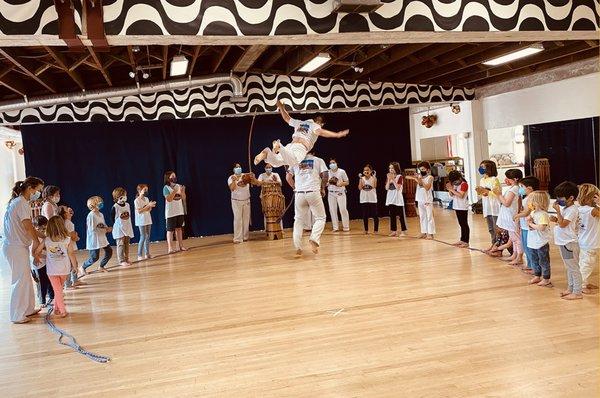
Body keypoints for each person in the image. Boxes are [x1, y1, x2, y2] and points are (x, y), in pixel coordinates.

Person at [254, 99, 349, 168]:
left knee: (276, 162)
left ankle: (266, 153)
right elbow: (321, 132)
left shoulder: (300, 123)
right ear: (321, 123)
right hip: (300, 148)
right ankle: (279, 146)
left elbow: (287, 118)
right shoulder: (316, 126)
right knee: (294, 162)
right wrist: (337, 135)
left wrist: (281, 107)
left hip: (290, 146)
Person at [1, 177, 45, 323]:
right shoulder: (21, 203)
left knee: (25, 278)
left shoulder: (18, 202)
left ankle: (28, 309)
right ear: (30, 188)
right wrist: (37, 241)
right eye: (38, 190)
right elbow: (27, 225)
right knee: (20, 280)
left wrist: (43, 236)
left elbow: (29, 227)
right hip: (15, 247)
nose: (38, 194)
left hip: (17, 246)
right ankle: (17, 315)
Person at [35, 216, 77, 318]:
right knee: (59, 290)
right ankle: (61, 310)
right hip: (64, 270)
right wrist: (75, 267)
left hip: (52, 271)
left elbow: (37, 251)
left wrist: (37, 257)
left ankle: (57, 308)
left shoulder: (47, 240)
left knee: (57, 291)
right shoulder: (67, 240)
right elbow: (71, 254)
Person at [286, 152, 328, 255]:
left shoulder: (294, 160)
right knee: (320, 218)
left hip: (299, 194)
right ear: (313, 151)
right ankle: (314, 238)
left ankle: (298, 246)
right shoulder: (318, 160)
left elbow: (288, 177)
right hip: (313, 192)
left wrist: (294, 187)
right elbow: (325, 175)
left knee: (298, 219)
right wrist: (322, 188)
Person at [550, 181, 582, 300]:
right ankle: (571, 288)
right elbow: (562, 222)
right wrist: (556, 218)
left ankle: (577, 291)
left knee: (573, 267)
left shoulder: (572, 209)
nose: (558, 199)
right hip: (564, 242)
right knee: (568, 267)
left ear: (571, 197)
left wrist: (557, 212)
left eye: (560, 197)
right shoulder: (567, 208)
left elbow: (563, 224)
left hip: (569, 243)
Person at [494, 169, 523, 266]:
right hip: (510, 215)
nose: (506, 179)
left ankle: (519, 257)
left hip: (511, 216)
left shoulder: (515, 188)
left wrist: (498, 194)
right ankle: (515, 254)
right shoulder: (514, 188)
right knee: (513, 238)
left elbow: (506, 203)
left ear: (515, 179)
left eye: (508, 178)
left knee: (516, 238)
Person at [576, 183, 600, 294]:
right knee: (587, 264)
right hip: (590, 242)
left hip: (583, 241)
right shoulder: (592, 211)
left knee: (584, 263)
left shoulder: (580, 209)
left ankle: (584, 282)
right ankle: (581, 285)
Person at [513, 176, 539, 274]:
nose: (520, 189)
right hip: (524, 225)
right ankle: (529, 264)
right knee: (525, 245)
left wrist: (516, 216)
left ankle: (533, 266)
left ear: (530, 188)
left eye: (522, 186)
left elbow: (527, 212)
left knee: (529, 247)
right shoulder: (527, 197)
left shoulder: (532, 197)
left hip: (528, 225)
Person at [526, 191, 552, 287]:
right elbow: (531, 225)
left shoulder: (543, 214)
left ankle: (546, 278)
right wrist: (529, 221)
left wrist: (531, 224)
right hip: (533, 241)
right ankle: (537, 275)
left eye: (531, 200)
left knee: (543, 261)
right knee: (534, 260)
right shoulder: (533, 212)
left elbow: (541, 227)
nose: (529, 203)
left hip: (541, 242)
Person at [82, 196, 112, 274]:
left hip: (102, 237)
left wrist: (107, 228)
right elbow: (92, 229)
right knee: (94, 258)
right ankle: (83, 267)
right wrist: (104, 229)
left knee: (109, 251)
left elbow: (103, 225)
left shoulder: (101, 214)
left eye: (100, 201)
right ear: (92, 205)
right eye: (98, 202)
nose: (100, 203)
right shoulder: (91, 215)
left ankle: (101, 266)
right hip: (94, 239)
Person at [228, 163, 256, 244]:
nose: (239, 168)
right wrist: (234, 181)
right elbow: (232, 188)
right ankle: (237, 238)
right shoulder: (231, 177)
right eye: (237, 167)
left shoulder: (245, 175)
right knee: (238, 219)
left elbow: (254, 183)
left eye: (239, 167)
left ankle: (245, 237)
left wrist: (253, 177)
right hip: (236, 201)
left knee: (246, 219)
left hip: (246, 200)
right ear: (234, 169)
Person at [407, 161, 435, 239]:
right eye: (420, 169)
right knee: (422, 216)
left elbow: (427, 187)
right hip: (420, 199)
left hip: (427, 200)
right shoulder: (419, 177)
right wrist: (416, 178)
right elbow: (407, 177)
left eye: (423, 169)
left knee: (429, 216)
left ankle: (430, 233)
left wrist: (420, 179)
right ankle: (424, 232)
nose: (421, 171)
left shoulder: (430, 177)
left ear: (428, 170)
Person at [475, 160, 501, 244]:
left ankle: (498, 246)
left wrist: (487, 191)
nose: (480, 168)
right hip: (487, 207)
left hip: (494, 207)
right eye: (480, 166)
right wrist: (481, 191)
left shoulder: (494, 179)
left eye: (483, 167)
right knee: (490, 228)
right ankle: (493, 244)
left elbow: (497, 193)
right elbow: (483, 192)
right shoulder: (482, 180)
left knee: (496, 228)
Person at [31, 215, 54, 307]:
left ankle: (53, 296)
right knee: (41, 282)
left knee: (49, 280)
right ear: (35, 228)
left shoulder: (45, 236)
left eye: (45, 227)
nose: (43, 230)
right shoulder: (34, 238)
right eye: (40, 228)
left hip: (46, 262)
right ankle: (42, 301)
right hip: (38, 264)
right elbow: (34, 253)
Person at [163, 171, 187, 253]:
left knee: (179, 229)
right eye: (172, 176)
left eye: (175, 176)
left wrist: (183, 191)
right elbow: (169, 199)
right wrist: (174, 191)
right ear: (168, 178)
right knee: (170, 231)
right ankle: (170, 248)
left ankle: (181, 246)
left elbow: (183, 198)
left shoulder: (178, 186)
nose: (174, 177)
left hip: (179, 211)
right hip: (170, 213)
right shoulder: (166, 188)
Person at [58, 206, 81, 289]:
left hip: (65, 246)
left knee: (69, 264)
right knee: (71, 265)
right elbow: (71, 236)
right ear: (64, 214)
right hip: (69, 245)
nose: (69, 211)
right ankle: (69, 283)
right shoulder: (68, 223)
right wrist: (76, 237)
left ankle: (74, 281)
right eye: (67, 210)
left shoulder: (62, 222)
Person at [446, 170, 469, 247]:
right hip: (457, 206)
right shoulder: (455, 184)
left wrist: (452, 189)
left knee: (464, 224)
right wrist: (450, 189)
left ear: (459, 178)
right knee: (461, 224)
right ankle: (462, 240)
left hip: (462, 207)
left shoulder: (464, 184)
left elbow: (461, 195)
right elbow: (452, 195)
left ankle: (466, 241)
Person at [111, 187, 134, 267]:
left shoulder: (127, 205)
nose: (124, 196)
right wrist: (118, 226)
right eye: (123, 195)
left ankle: (127, 258)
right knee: (120, 244)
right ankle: (121, 260)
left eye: (125, 195)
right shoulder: (115, 207)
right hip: (119, 229)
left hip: (127, 227)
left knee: (127, 244)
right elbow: (113, 218)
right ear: (117, 197)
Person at [327, 158, 350, 232]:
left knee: (343, 209)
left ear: (336, 163)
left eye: (333, 162)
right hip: (331, 193)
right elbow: (325, 183)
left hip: (340, 192)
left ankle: (346, 227)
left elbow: (347, 182)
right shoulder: (327, 172)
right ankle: (335, 227)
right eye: (330, 163)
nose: (332, 164)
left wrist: (341, 184)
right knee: (332, 210)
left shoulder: (342, 171)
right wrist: (328, 183)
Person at [135, 184, 156, 261]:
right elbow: (139, 211)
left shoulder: (146, 199)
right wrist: (148, 206)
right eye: (145, 190)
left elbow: (148, 210)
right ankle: (139, 255)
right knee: (143, 236)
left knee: (148, 237)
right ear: (139, 191)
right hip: (141, 221)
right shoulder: (136, 200)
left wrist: (151, 206)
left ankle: (147, 254)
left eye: (147, 190)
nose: (146, 191)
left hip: (148, 219)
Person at [385, 162, 407, 237]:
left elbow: (398, 188)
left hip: (398, 199)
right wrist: (389, 179)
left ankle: (403, 231)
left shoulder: (399, 176)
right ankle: (394, 231)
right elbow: (386, 188)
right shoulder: (389, 177)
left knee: (401, 216)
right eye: (390, 168)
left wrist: (393, 179)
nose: (390, 170)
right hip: (391, 199)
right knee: (392, 216)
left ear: (396, 169)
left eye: (392, 168)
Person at [358, 164, 378, 235]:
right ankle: (366, 230)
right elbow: (360, 188)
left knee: (374, 215)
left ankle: (376, 230)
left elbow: (374, 186)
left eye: (367, 170)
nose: (366, 171)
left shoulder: (374, 178)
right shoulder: (362, 178)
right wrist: (360, 178)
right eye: (364, 170)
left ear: (371, 171)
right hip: (364, 199)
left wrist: (374, 177)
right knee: (365, 215)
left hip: (372, 199)